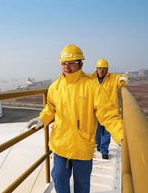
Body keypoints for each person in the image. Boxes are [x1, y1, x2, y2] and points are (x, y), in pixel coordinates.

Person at [26, 44, 124, 193]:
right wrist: (42, 119)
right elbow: (51, 107)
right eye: (64, 63)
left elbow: (108, 114)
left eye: (71, 63)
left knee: (82, 184)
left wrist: (121, 135)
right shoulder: (55, 87)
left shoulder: (92, 86)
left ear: (80, 64)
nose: (67, 67)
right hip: (60, 144)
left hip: (82, 145)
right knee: (59, 177)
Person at [91, 59, 129, 159]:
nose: (101, 71)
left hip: (110, 112)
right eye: (99, 68)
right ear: (96, 69)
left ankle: (104, 151)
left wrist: (123, 79)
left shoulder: (113, 78)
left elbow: (122, 78)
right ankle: (99, 144)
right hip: (97, 111)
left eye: (104, 69)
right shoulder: (92, 79)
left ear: (107, 69)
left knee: (107, 133)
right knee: (97, 132)